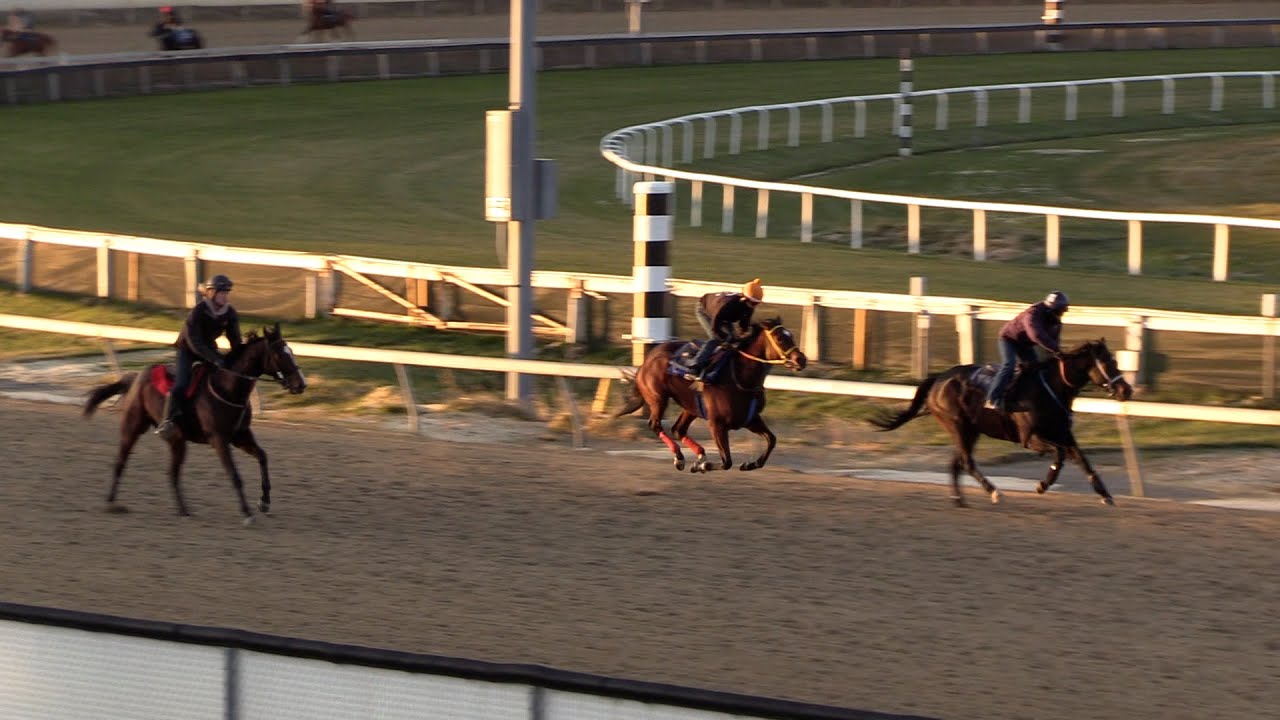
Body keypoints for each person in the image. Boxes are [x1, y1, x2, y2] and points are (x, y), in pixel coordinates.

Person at [156, 274, 243, 439]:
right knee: (182, 384)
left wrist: (240, 357)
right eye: (222, 293)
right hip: (187, 350)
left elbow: (235, 340)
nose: (225, 297)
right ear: (211, 293)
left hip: (209, 350)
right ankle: (167, 421)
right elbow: (194, 341)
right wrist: (214, 358)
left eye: (227, 293)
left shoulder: (229, 313)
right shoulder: (198, 311)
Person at [985, 290, 1069, 412]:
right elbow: (1036, 335)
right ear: (1051, 309)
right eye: (1059, 311)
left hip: (1024, 344)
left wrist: (1057, 355)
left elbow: (1054, 343)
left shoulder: (1056, 321)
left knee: (1034, 370)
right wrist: (1056, 350)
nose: (1061, 315)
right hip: (1009, 339)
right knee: (1009, 365)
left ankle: (1019, 398)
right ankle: (992, 399)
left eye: (1063, 311)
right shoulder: (1033, 314)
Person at [685, 278, 764, 381]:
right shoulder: (726, 305)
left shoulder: (748, 307)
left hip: (724, 317)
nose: (754, 306)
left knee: (733, 339)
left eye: (756, 304)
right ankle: (695, 366)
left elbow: (744, 325)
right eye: (753, 303)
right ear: (744, 298)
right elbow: (715, 326)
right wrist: (723, 338)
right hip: (705, 311)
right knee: (716, 339)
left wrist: (743, 336)